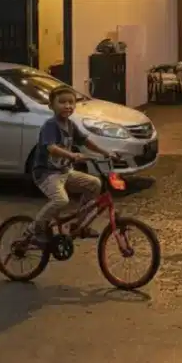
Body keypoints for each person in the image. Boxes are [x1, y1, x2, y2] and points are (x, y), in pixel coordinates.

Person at [30, 86, 122, 245]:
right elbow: (51, 147)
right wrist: (72, 155)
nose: (67, 106)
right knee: (61, 200)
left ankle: (79, 225)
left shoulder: (70, 124)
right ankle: (36, 229)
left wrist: (105, 152)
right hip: (47, 174)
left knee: (94, 184)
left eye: (71, 102)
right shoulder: (51, 125)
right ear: (51, 105)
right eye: (62, 102)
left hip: (64, 171)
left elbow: (85, 141)